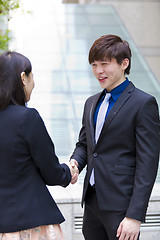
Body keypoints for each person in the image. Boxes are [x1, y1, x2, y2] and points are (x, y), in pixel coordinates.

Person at [69, 34, 160, 240]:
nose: (98, 71)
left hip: (122, 207)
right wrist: (75, 162)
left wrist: (134, 216)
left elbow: (148, 163)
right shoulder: (91, 103)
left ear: (124, 64)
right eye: (94, 64)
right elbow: (85, 145)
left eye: (104, 64)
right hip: (92, 204)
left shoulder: (144, 103)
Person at [0, 51, 77, 240]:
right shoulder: (27, 118)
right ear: (23, 78)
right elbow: (51, 172)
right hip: (29, 224)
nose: (34, 83)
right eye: (32, 76)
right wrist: (68, 171)